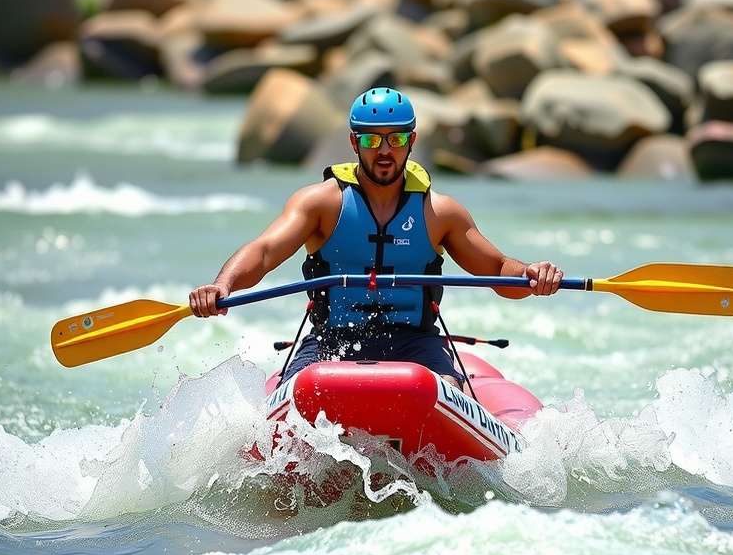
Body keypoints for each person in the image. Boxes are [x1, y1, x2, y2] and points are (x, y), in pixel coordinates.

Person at [189, 87, 563, 388]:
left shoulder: (440, 212)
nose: (384, 151)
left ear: (412, 140)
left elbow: (497, 269)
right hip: (332, 340)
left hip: (415, 342)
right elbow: (264, 250)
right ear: (354, 143)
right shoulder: (320, 204)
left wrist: (530, 274)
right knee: (297, 399)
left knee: (449, 386)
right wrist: (223, 285)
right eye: (372, 141)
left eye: (395, 139)